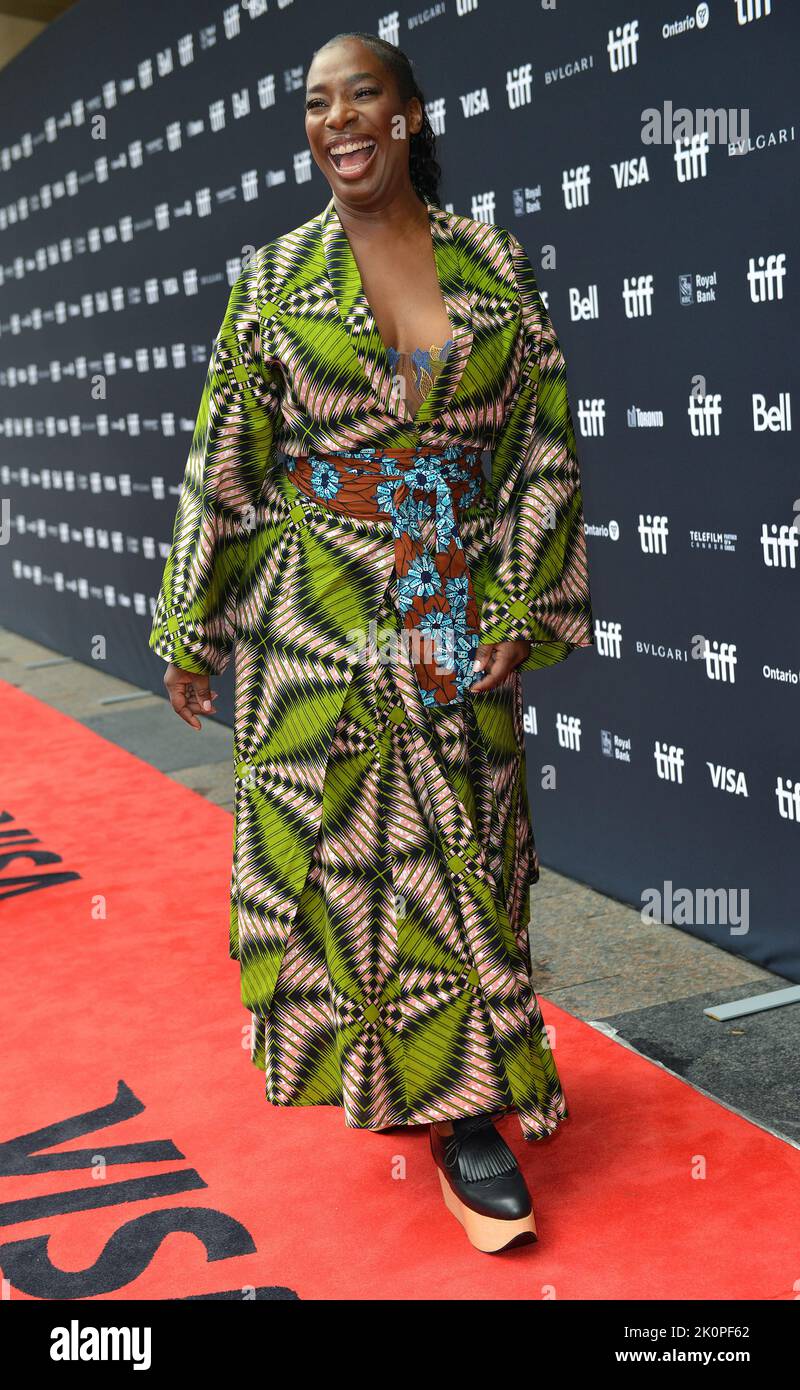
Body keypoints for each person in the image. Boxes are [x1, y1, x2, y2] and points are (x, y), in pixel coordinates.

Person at [149, 30, 594, 1254]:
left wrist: (517, 602)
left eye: (362, 97)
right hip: (316, 612)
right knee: (347, 869)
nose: (336, 119)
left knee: (464, 850)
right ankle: (461, 1116)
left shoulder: (493, 268)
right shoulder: (276, 276)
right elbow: (222, 460)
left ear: (406, 116)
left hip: (448, 592)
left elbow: (541, 449)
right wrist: (195, 621)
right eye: (315, 104)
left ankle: (460, 1088)